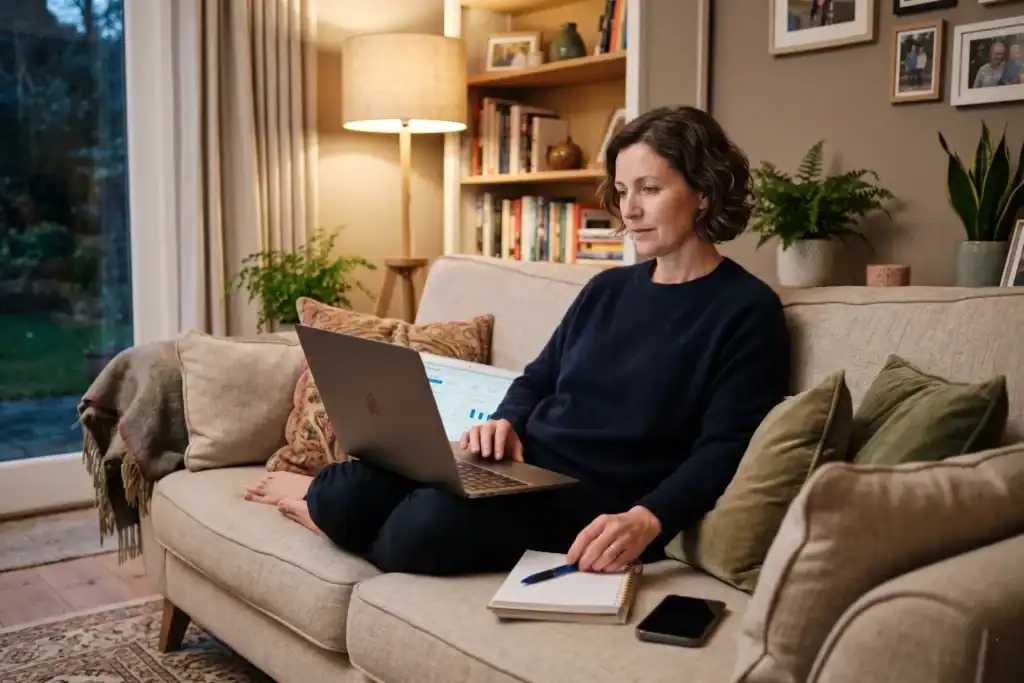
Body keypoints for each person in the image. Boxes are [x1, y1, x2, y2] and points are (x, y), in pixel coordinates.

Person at [244, 105, 792, 577]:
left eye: (650, 189)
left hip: (588, 497)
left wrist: (649, 517)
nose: (630, 210)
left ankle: (332, 521)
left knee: (420, 528)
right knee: (344, 489)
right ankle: (331, 511)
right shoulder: (606, 289)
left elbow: (724, 449)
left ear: (703, 192)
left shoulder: (746, 310)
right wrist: (505, 422)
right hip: (518, 467)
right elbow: (537, 379)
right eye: (624, 191)